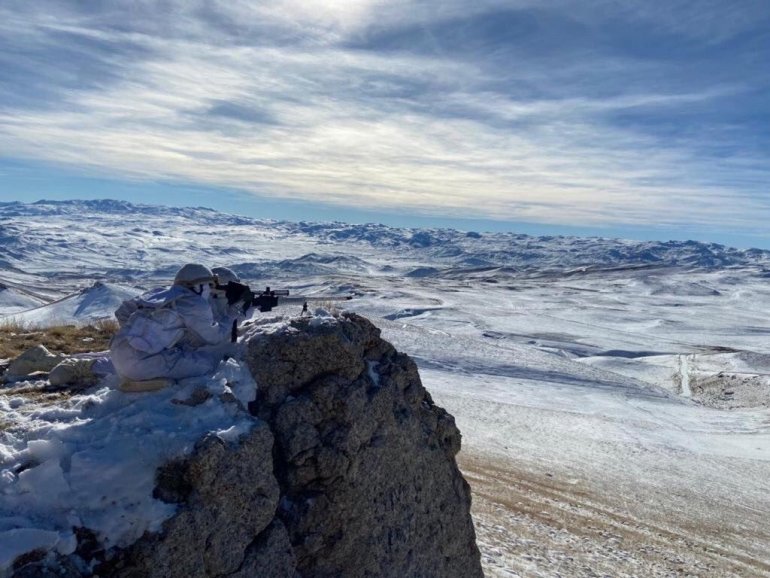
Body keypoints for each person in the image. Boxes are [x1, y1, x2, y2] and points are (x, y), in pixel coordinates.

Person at [109, 264, 245, 388]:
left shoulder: (158, 293)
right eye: (209, 285)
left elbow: (122, 311)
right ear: (199, 285)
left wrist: (138, 336)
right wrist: (231, 314)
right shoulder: (194, 303)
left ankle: (137, 370)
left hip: (117, 351)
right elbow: (215, 338)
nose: (210, 291)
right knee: (206, 364)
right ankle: (140, 381)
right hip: (140, 364)